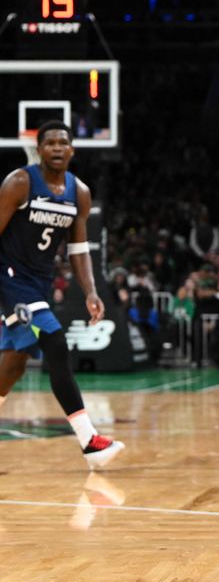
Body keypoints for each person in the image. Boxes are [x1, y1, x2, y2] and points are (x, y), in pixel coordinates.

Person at [0, 121, 124, 468]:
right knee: (55, 343)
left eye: (62, 143)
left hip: (38, 283)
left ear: (72, 150)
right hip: (9, 278)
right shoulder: (20, 183)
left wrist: (91, 291)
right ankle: (90, 441)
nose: (56, 147)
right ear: (38, 150)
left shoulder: (78, 192)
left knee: (13, 365)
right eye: (49, 142)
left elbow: (79, 249)